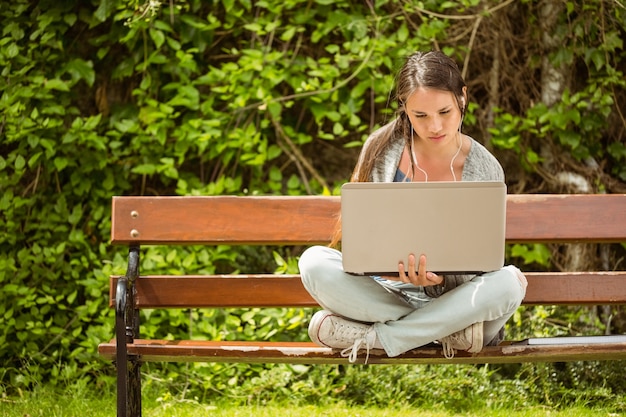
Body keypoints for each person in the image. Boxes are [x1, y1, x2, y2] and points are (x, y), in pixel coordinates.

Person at [298, 50, 528, 363]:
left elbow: (482, 266)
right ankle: (443, 332)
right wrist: (390, 269)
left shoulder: (485, 168)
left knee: (509, 283)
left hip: (457, 299)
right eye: (421, 116)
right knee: (313, 262)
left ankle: (382, 338)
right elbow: (363, 243)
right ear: (405, 109)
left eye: (445, 112)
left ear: (463, 98)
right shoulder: (381, 149)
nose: (435, 126)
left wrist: (441, 281)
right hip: (391, 294)